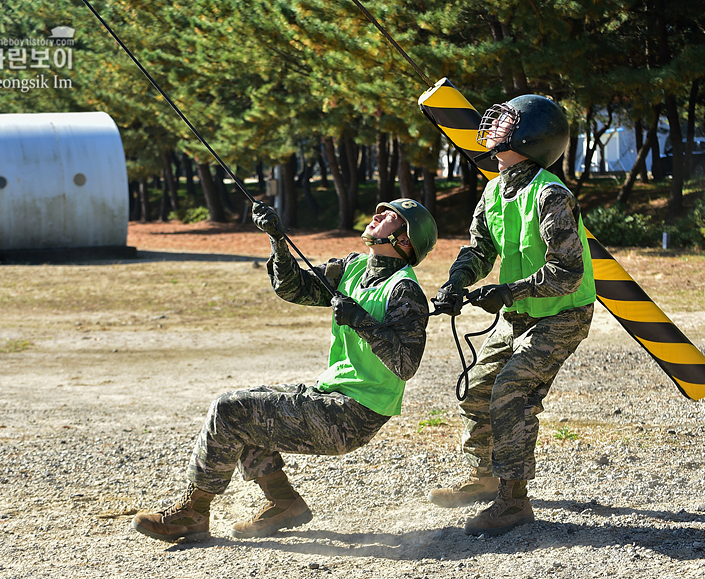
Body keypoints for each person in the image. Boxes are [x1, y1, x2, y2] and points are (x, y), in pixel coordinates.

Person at [131, 198, 438, 542]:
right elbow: (292, 287)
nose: (377, 215)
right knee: (249, 408)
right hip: (332, 396)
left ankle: (192, 514)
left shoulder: (404, 291)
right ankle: (284, 502)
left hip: (356, 413)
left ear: (405, 240)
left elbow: (405, 364)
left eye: (390, 216)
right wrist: (277, 239)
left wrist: (360, 320)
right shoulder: (353, 269)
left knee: (231, 409)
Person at [429, 94, 596, 537]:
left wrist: (506, 292)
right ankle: (485, 476)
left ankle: (513, 501)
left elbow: (566, 273)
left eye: (505, 120)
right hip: (520, 312)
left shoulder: (551, 194)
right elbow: (480, 247)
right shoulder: (495, 186)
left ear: (531, 136)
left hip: (562, 314)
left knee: (511, 391)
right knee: (476, 390)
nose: (494, 124)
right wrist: (456, 282)